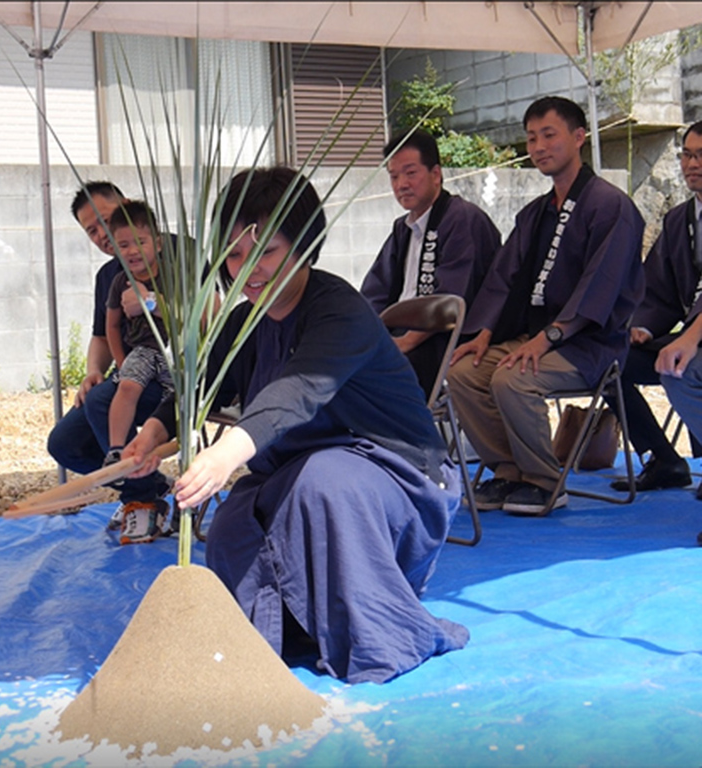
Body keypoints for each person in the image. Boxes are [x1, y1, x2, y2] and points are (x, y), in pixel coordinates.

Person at [124, 166, 468, 684]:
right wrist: (154, 430)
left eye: (265, 252)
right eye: (234, 255)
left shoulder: (340, 312)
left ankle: (378, 636)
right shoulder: (243, 322)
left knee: (321, 484)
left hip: (397, 482)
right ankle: (280, 634)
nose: (248, 271)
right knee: (236, 522)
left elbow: (296, 392)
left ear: (304, 244)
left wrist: (222, 455)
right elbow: (200, 385)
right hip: (302, 475)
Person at [447, 96, 645, 516]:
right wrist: (483, 334)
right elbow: (504, 279)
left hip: (589, 344)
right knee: (462, 372)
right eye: (532, 138)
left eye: (549, 135)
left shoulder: (612, 207)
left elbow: (601, 287)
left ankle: (544, 480)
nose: (538, 146)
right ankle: (508, 472)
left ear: (578, 137)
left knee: (513, 379)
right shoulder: (535, 212)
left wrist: (550, 337)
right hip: (532, 337)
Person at [45, 183, 170, 534]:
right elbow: (104, 332)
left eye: (104, 221)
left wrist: (154, 303)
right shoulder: (109, 275)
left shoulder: (179, 254)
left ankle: (142, 502)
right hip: (132, 373)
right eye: (91, 230)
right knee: (64, 443)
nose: (102, 235)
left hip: (178, 373)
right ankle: (148, 488)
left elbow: (207, 317)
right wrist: (94, 370)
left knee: (103, 401)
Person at [362, 130, 501, 397]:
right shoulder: (402, 229)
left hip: (442, 341)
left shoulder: (462, 219)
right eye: (394, 176)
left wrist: (406, 342)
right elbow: (375, 293)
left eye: (410, 173)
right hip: (399, 336)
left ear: (436, 174)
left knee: (369, 381)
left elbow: (451, 302)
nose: (401, 184)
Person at [604, 122, 702, 493]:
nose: (692, 164)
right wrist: (642, 323)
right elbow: (658, 287)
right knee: (609, 358)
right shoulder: (679, 220)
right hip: (686, 338)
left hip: (696, 341)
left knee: (688, 367)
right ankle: (663, 458)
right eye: (687, 155)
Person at [102, 201, 176, 543]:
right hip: (144, 352)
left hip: (176, 352)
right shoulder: (119, 281)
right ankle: (117, 450)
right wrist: (120, 362)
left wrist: (152, 303)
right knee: (127, 387)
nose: (132, 251)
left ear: (157, 243)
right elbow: (111, 326)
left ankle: (163, 466)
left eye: (140, 242)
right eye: (124, 245)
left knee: (179, 406)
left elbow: (195, 318)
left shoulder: (174, 275)